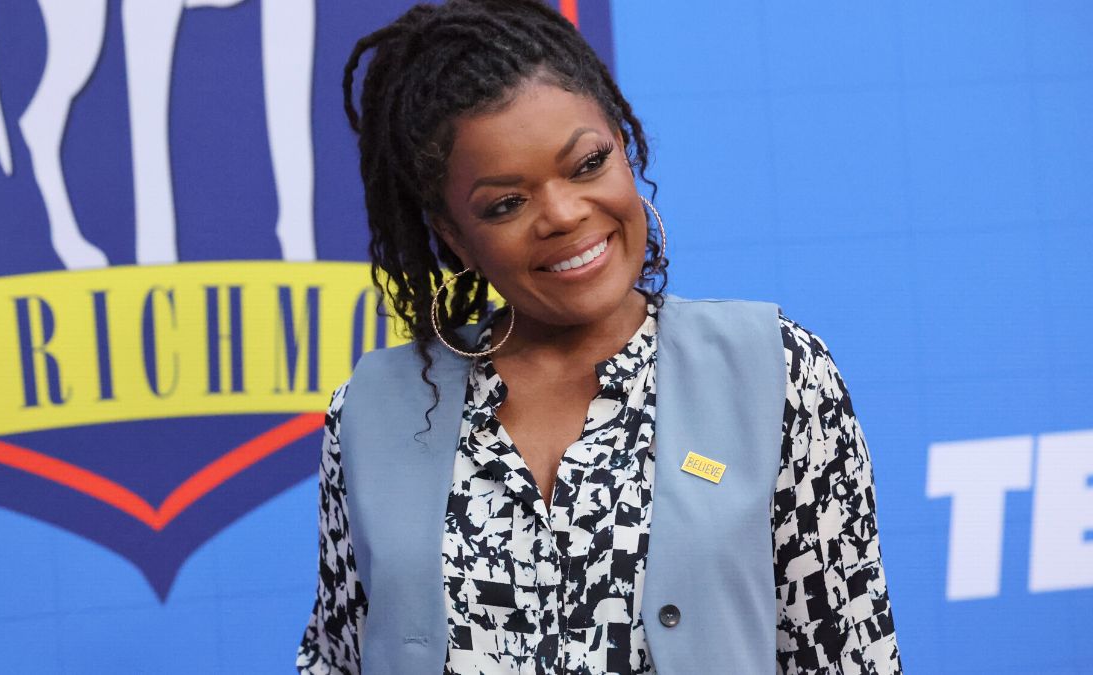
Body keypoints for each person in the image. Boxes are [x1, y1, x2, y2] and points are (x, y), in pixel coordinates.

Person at [297, 1, 902, 673]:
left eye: (586, 163)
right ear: (453, 237)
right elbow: (335, 658)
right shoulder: (371, 412)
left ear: (624, 145)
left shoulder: (778, 374)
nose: (562, 213)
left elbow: (851, 656)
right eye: (505, 203)